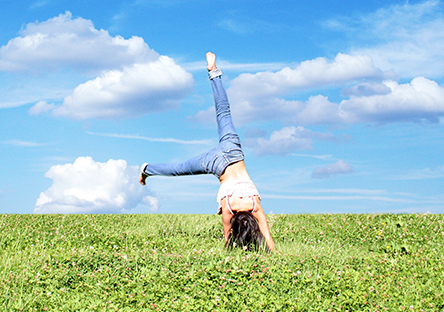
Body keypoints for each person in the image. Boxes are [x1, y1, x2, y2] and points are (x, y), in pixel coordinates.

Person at [139, 52, 274, 251]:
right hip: (216, 164)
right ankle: (148, 169)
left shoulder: (255, 205)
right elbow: (228, 238)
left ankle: (214, 72)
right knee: (179, 168)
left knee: (224, 111)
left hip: (234, 152)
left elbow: (266, 231)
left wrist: (272, 249)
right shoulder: (229, 208)